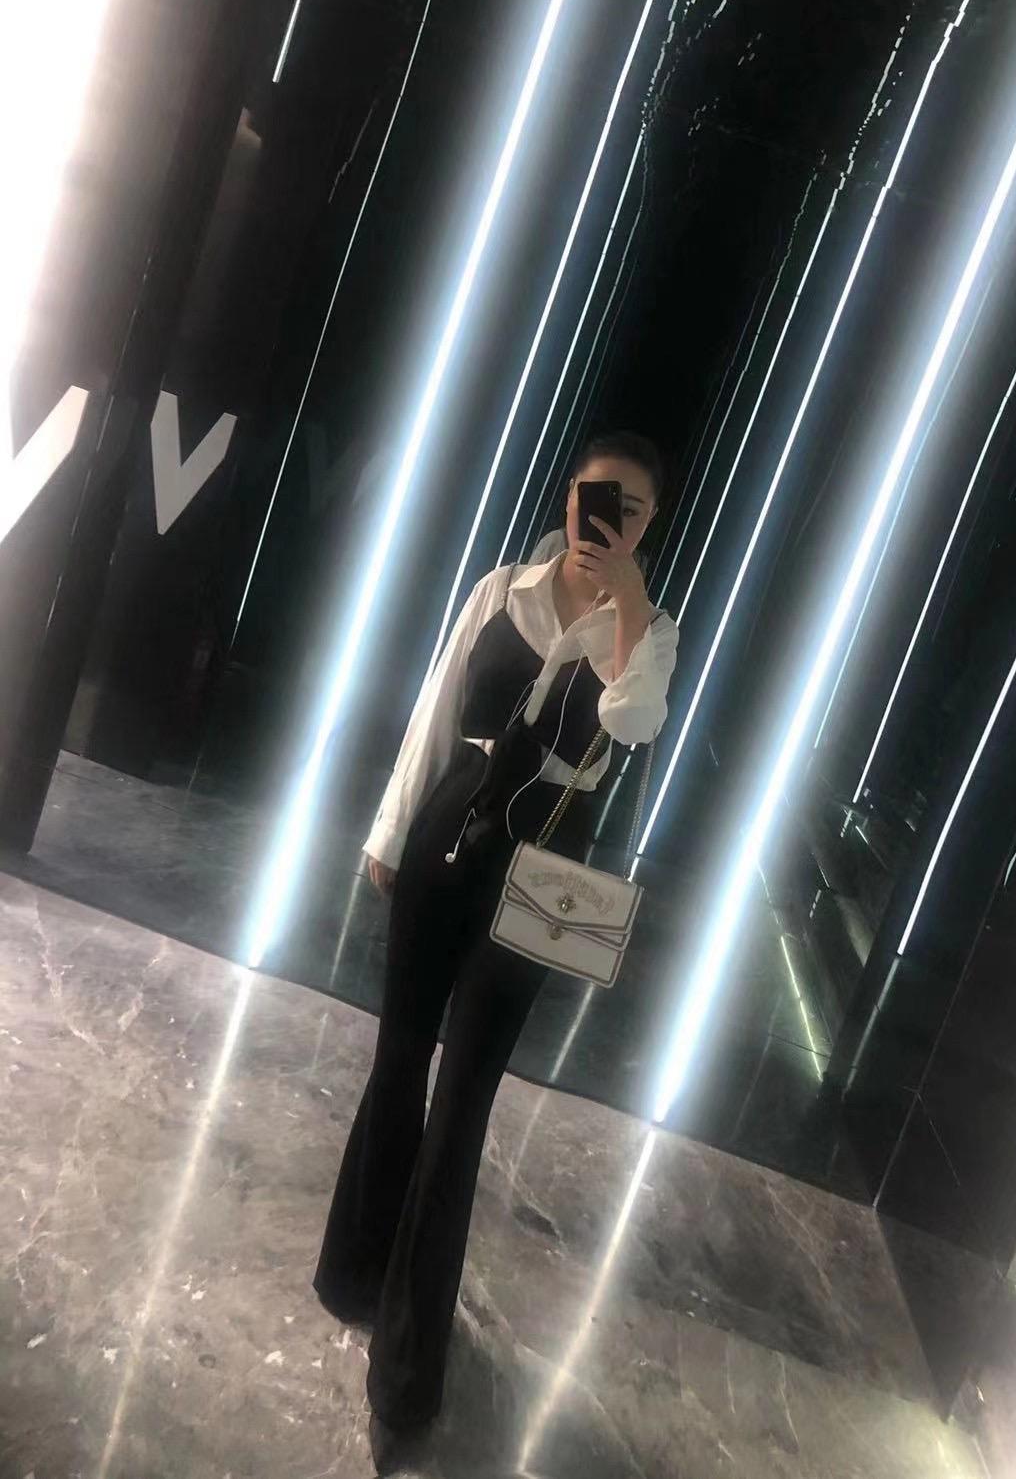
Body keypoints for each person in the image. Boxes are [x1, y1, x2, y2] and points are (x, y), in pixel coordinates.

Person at [313, 431, 678, 1473]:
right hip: (448, 831)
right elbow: (436, 710)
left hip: (540, 874)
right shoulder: (498, 589)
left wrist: (627, 604)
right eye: (594, 498)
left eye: (629, 508)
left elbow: (633, 723)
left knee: (464, 1097)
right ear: (567, 500)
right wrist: (389, 835)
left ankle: (407, 1363)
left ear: (650, 525)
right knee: (398, 1059)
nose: (604, 519)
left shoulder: (653, 632)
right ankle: (355, 1269)